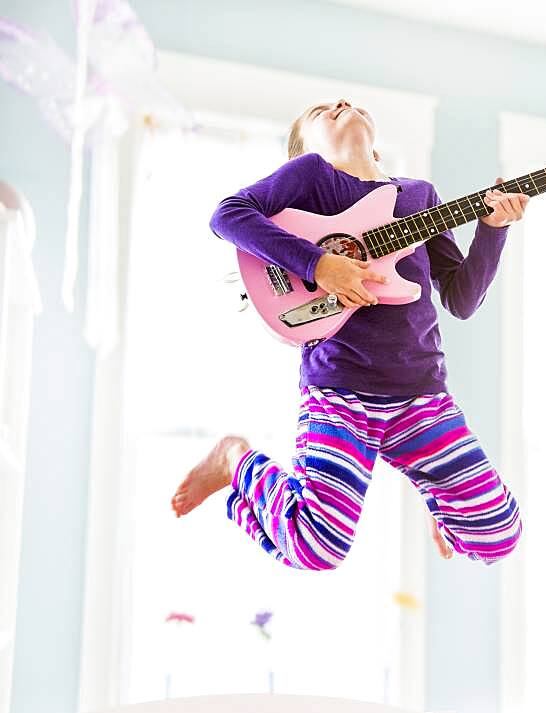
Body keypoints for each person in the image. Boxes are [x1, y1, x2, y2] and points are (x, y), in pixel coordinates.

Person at [170, 99, 527, 569]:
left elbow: (461, 300)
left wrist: (492, 229)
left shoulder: (419, 195)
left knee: (499, 535)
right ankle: (233, 459)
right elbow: (228, 215)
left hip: (422, 394)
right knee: (314, 548)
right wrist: (319, 264)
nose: (341, 104)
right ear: (302, 146)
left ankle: (437, 495)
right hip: (340, 389)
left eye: (351, 103)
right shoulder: (311, 176)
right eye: (321, 110)